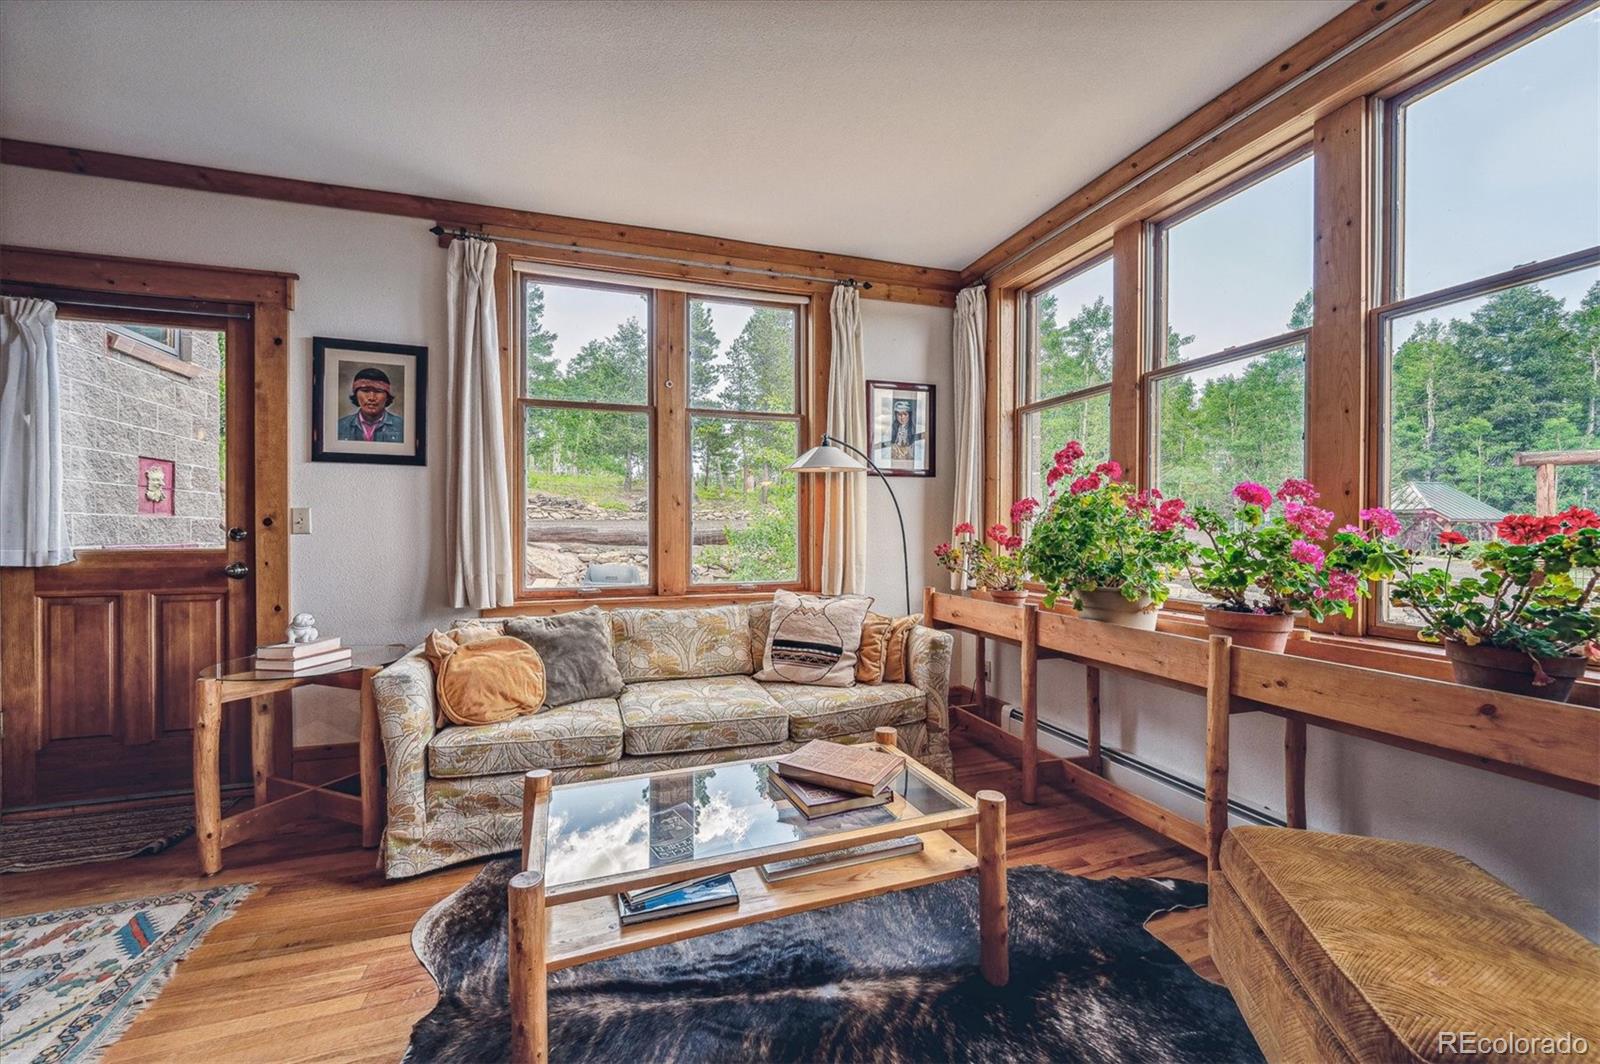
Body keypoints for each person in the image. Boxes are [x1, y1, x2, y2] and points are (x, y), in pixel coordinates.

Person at [337, 367, 405, 442]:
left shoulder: (402, 426)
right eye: (365, 391)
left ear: (387, 397)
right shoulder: (340, 426)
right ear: (356, 395)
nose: (371, 398)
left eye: (378, 391)